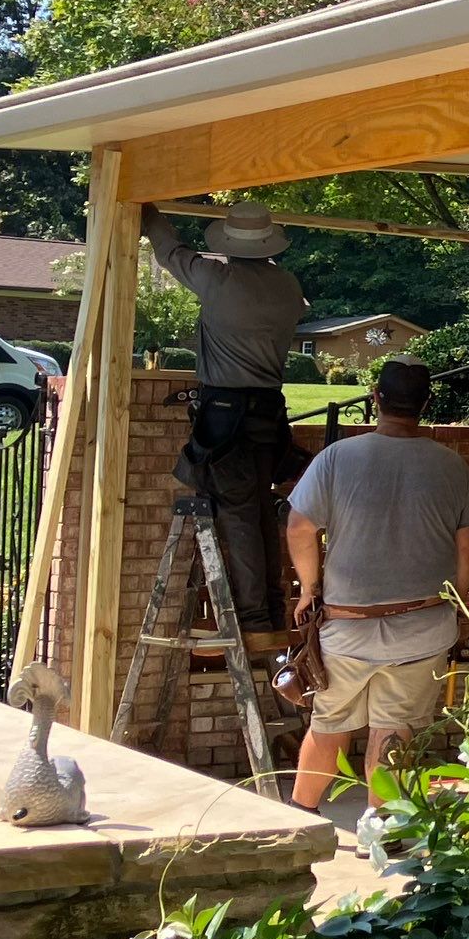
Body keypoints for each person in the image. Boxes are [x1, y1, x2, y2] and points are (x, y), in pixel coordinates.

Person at [281, 357, 469, 812]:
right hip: (423, 625)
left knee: (328, 724)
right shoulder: (451, 466)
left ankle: (299, 824)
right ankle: (384, 836)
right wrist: (460, 605)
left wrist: (311, 589)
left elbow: (298, 528)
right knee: (396, 733)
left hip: (347, 626)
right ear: (425, 404)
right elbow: (466, 546)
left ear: (375, 398)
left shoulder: (337, 458)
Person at [143, 201, 310, 634]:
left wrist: (147, 212)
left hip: (226, 420)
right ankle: (271, 611)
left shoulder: (217, 279)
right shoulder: (288, 286)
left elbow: (169, 251)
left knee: (240, 515)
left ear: (229, 244)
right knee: (256, 511)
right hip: (269, 418)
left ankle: (255, 621)